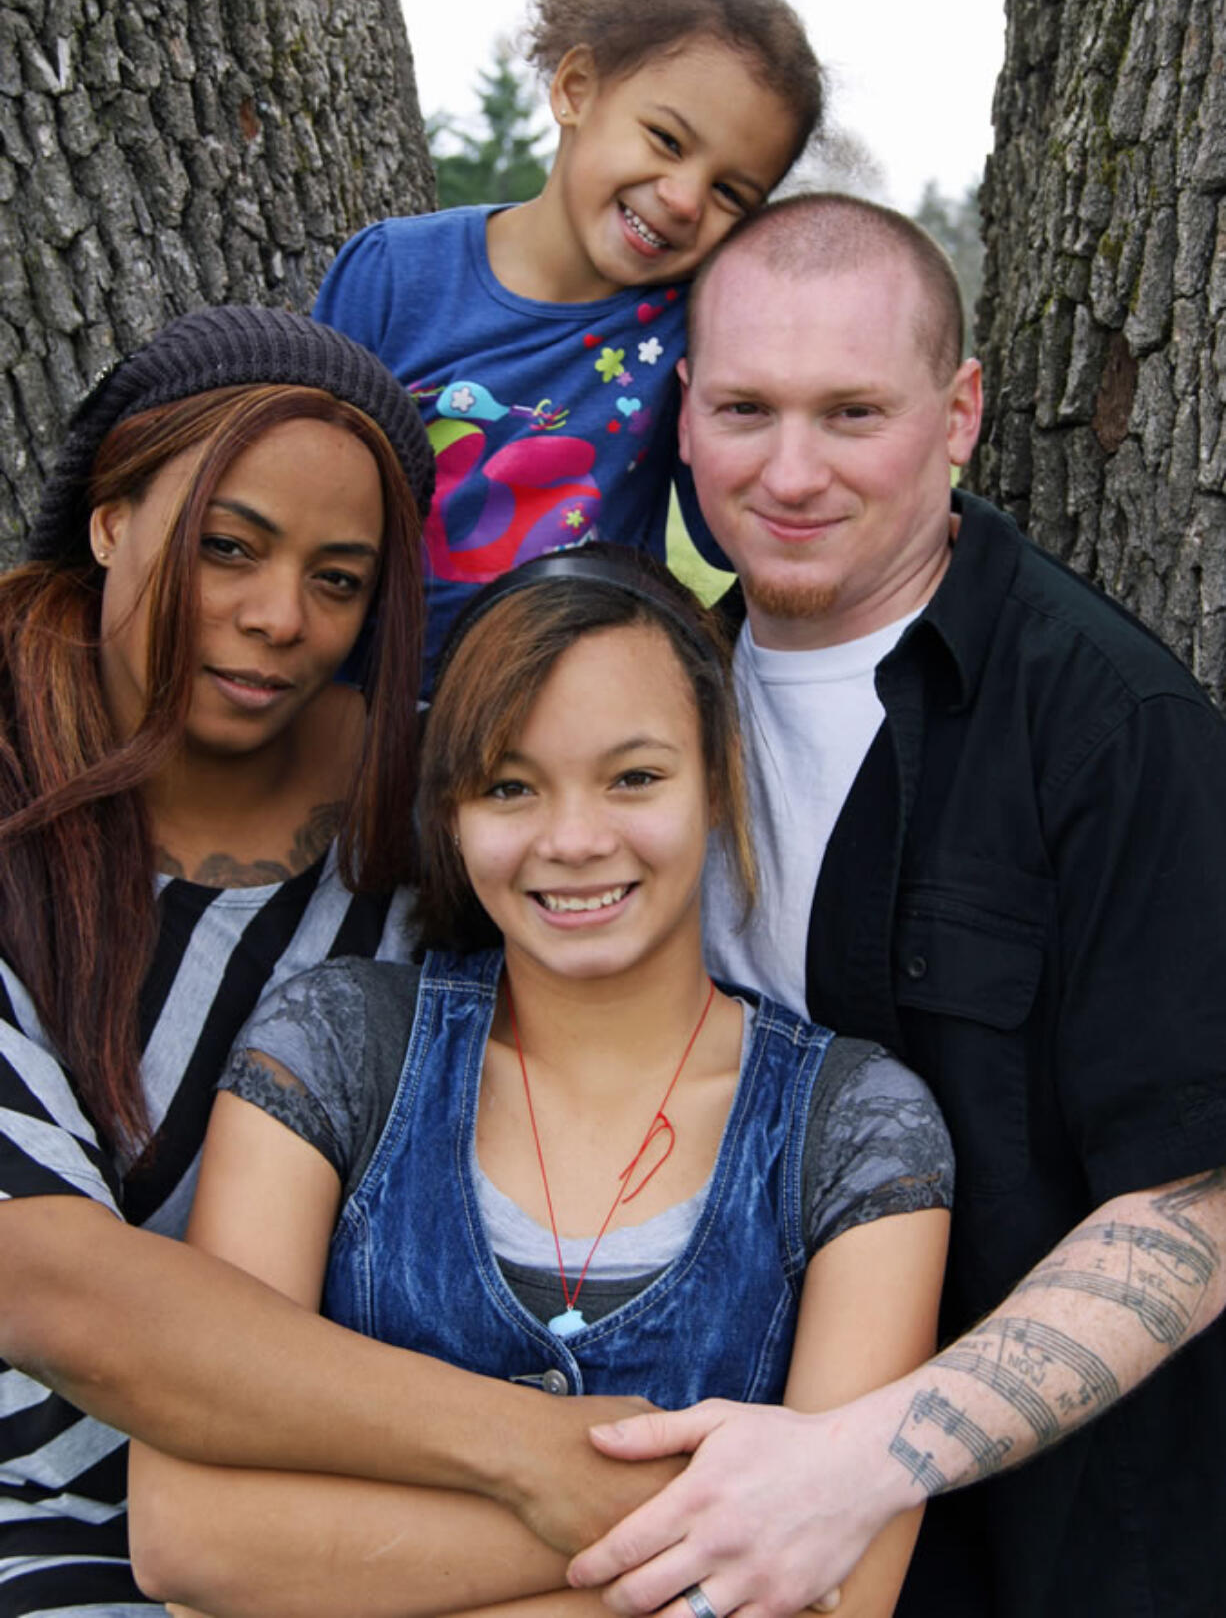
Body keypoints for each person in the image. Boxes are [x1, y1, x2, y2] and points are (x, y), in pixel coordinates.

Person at [565, 194, 1226, 1618]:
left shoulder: (1110, 725)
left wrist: (859, 1461)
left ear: (958, 410)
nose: (788, 470)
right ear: (683, 416)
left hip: (1033, 1549)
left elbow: (1196, 1199)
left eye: (850, 412)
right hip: (677, 1493)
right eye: (744, 407)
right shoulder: (634, 705)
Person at [128, 547, 953, 1618]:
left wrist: (330, 1566)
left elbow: (837, 1592)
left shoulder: (854, 1129)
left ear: (717, 780)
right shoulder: (336, 1050)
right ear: (452, 811)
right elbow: (189, 1534)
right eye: (509, 785)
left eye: (633, 776)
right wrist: (675, 1529)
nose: (573, 838)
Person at [0, 313, 653, 1618]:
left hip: (345, 1502)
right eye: (224, 547)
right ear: (110, 516)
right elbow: (50, 1282)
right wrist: (535, 1456)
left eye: (339, 577)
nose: (276, 618)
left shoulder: (438, 811)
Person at [313, 0, 823, 685]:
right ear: (576, 88)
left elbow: (725, 543)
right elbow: (303, 496)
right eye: (665, 138)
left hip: (566, 732)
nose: (682, 200)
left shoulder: (697, 332)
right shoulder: (394, 273)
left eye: (729, 194)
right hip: (364, 714)